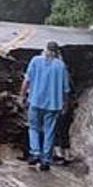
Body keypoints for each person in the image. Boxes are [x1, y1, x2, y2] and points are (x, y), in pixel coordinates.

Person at [19, 41, 71, 172]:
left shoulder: (36, 60)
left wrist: (21, 96)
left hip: (35, 101)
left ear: (45, 49)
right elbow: (66, 90)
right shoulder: (61, 66)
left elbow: (27, 80)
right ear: (57, 52)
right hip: (53, 105)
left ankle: (35, 152)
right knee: (49, 131)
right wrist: (65, 104)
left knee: (34, 128)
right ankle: (46, 161)